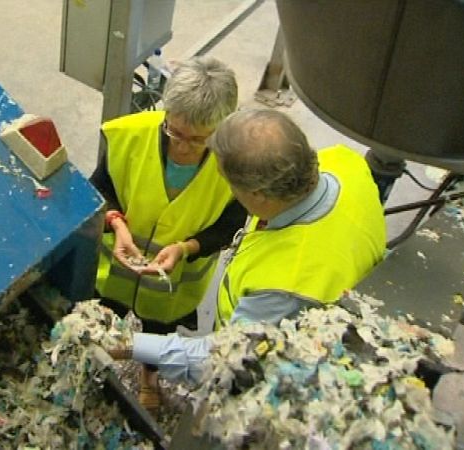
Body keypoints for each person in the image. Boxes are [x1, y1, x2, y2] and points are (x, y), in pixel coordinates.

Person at [110, 109, 386, 385]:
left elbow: (223, 360)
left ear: (259, 196)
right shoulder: (344, 162)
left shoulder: (284, 285)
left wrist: (130, 345)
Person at [89, 55, 247, 412]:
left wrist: (187, 247)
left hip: (173, 284)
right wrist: (116, 223)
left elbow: (232, 224)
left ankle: (149, 375)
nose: (182, 146)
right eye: (174, 132)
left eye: (197, 139)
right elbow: (100, 186)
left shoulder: (235, 164)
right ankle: (94, 359)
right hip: (116, 268)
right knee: (103, 318)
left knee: (159, 330)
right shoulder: (130, 135)